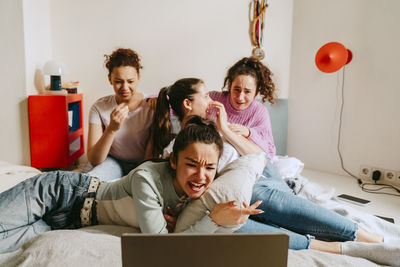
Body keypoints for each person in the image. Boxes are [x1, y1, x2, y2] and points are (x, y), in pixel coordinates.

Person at [148, 71, 384, 253]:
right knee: (231, 225)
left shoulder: (218, 128)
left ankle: (366, 236)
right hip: (228, 195)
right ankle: (327, 246)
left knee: (259, 199)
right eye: (206, 96)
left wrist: (225, 129)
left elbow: (259, 157)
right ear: (188, 104)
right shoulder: (175, 147)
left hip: (259, 177)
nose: (212, 100)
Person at [0, 116, 263, 253]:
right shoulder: (146, 178)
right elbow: (161, 247)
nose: (201, 176)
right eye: (191, 164)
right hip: (61, 192)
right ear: (173, 160)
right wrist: (213, 220)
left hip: (68, 222)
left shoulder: (200, 191)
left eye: (209, 168)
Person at [208, 57, 384, 252]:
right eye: (236, 89)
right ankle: (327, 241)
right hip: (236, 175)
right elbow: (177, 101)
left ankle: (358, 233)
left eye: (247, 92)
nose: (240, 97)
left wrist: (244, 133)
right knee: (255, 209)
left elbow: (266, 155)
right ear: (228, 86)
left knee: (278, 204)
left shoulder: (258, 111)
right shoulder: (214, 101)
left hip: (261, 169)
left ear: (257, 92)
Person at [86, 48, 154, 181]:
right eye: (118, 81)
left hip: (142, 163)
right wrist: (111, 128)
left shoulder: (151, 105)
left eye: (130, 81)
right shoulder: (99, 107)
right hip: (113, 162)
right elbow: (94, 160)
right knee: (91, 182)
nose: (125, 87)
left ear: (138, 79)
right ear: (110, 79)